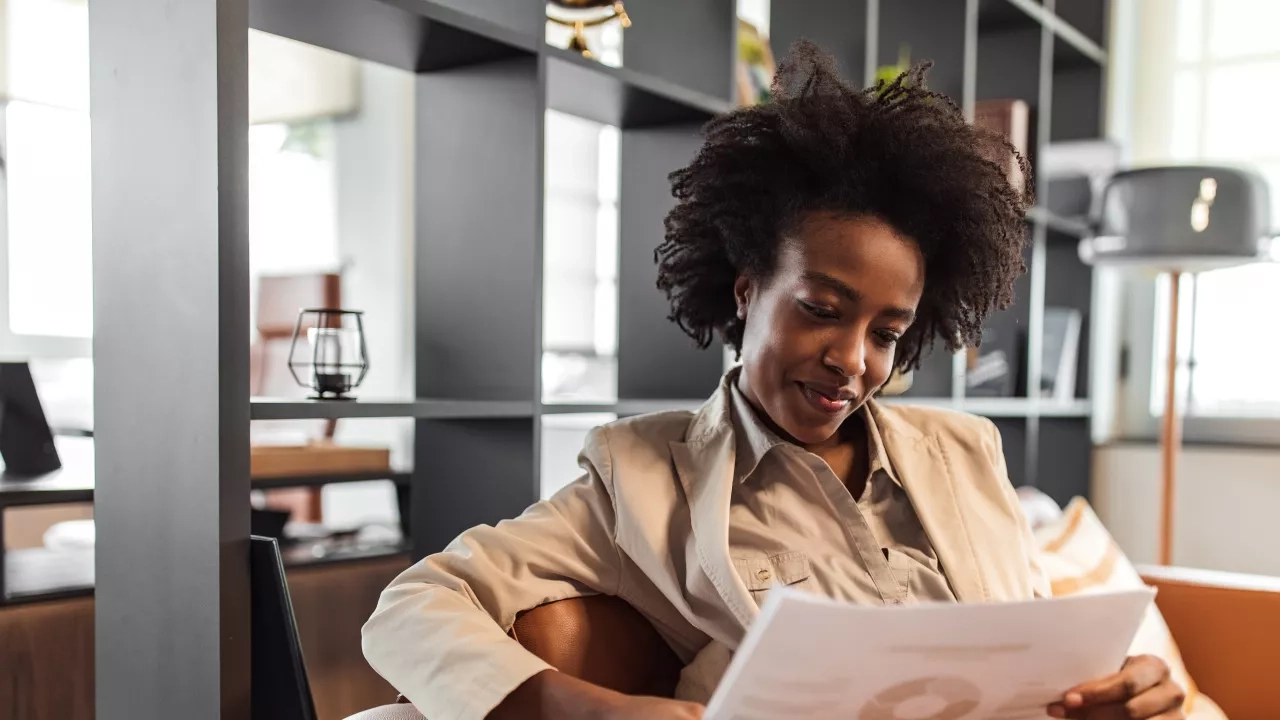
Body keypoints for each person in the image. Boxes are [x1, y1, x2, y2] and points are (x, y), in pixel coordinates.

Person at [361, 43, 1184, 720]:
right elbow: (414, 606)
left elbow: (1034, 657)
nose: (854, 360)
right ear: (747, 286)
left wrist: (1123, 689)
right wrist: (580, 708)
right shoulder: (641, 476)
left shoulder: (967, 452)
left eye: (888, 334)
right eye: (823, 309)